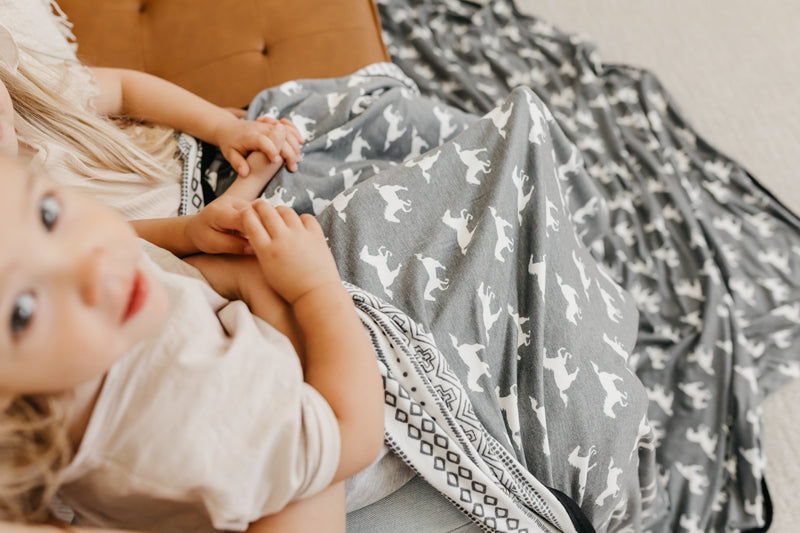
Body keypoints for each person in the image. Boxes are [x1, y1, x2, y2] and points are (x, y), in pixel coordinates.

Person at [0, 153, 384, 531]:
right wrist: (313, 287)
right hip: (349, 399)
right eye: (22, 311)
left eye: (47, 214)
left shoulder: (95, 313)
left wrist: (189, 232)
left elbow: (139, 247)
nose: (98, 268)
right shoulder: (179, 418)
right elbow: (354, 434)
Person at [0, 22, 303, 250]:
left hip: (207, 146)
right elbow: (129, 240)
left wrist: (222, 127)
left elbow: (124, 89)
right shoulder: (21, 230)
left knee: (307, 112)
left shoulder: (25, 95)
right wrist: (251, 180)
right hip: (212, 219)